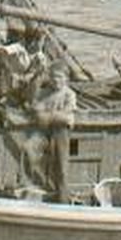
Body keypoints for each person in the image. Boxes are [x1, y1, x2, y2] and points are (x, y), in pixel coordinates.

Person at [31, 64, 77, 203]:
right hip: (43, 132)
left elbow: (67, 117)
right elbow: (38, 115)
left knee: (61, 167)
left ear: (66, 79)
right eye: (54, 77)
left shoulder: (69, 94)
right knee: (32, 156)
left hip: (61, 133)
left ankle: (63, 200)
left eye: (60, 77)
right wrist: (56, 116)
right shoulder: (43, 93)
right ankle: (38, 194)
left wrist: (49, 116)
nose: (56, 80)